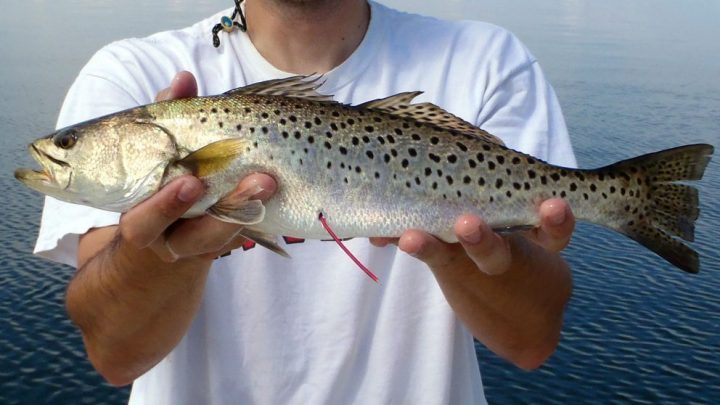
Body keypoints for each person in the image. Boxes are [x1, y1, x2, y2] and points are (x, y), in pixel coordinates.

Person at [35, 0, 576, 403]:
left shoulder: (489, 61)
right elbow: (114, 357)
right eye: (69, 145)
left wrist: (458, 250)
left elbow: (531, 343)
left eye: (69, 145)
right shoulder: (129, 72)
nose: (61, 153)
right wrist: (161, 254)